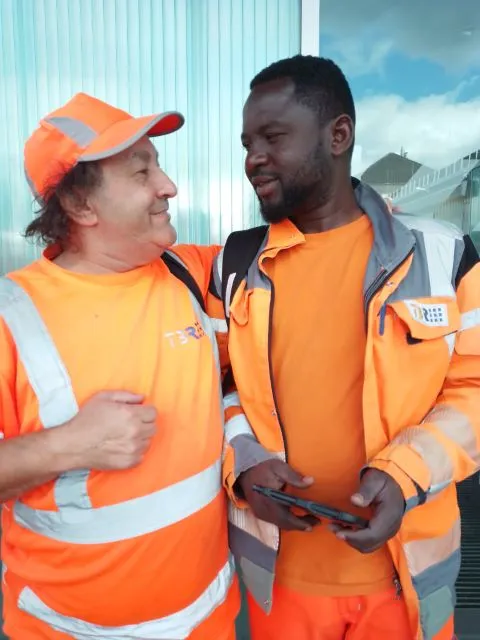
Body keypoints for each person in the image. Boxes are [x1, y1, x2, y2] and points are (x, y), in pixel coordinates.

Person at [209, 55, 480, 640]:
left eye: (273, 137)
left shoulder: (443, 254)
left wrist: (406, 473)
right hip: (280, 583)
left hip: (406, 583)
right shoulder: (235, 264)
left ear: (338, 136)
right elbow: (215, 388)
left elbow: (475, 392)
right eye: (247, 143)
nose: (253, 158)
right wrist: (245, 464)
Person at [0, 93, 238, 639]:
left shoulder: (192, 273)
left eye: (158, 165)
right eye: (141, 172)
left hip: (207, 621)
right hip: (64, 630)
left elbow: (302, 252)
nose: (169, 186)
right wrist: (68, 445)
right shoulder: (12, 317)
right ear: (80, 205)